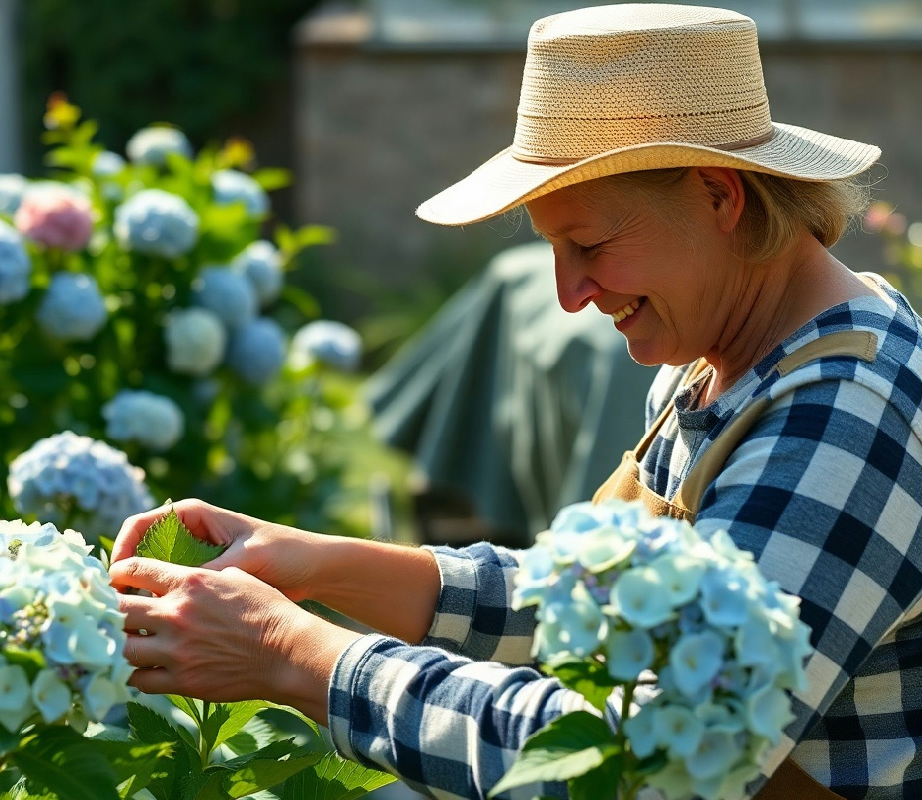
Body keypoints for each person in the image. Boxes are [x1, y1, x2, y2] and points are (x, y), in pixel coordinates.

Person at [109, 5, 922, 799]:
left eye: (590, 245)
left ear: (718, 196)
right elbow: (590, 607)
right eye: (553, 249)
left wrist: (292, 652)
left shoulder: (845, 417)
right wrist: (315, 564)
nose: (570, 293)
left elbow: (647, 761)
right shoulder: (724, 355)